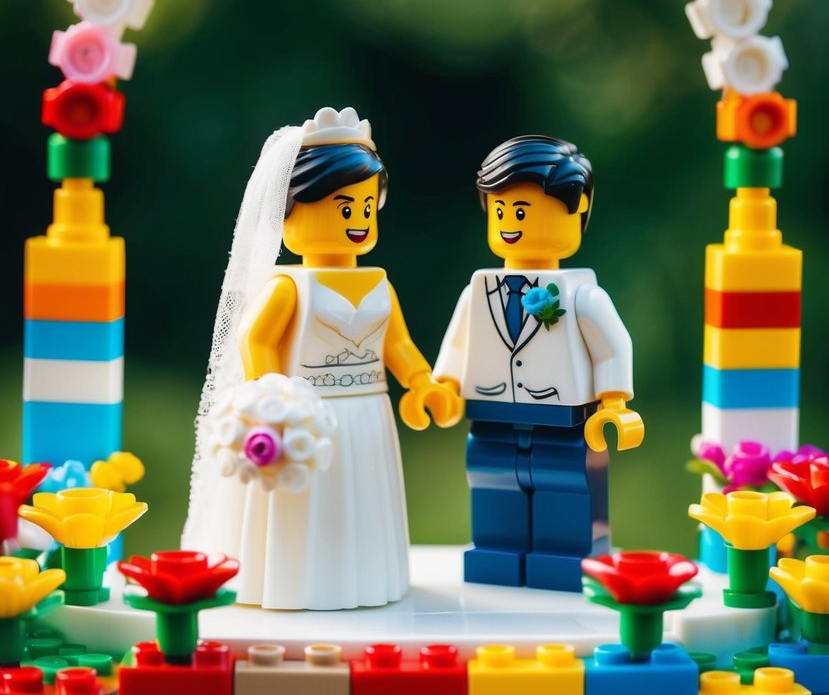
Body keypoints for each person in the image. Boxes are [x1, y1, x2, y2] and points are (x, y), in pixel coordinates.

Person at [183, 107, 461, 610]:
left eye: (365, 207)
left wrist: (422, 383)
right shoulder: (286, 286)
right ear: (287, 214)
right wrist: (275, 403)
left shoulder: (377, 282)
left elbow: (396, 344)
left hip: (368, 414)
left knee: (360, 501)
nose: (357, 221)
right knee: (304, 501)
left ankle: (367, 580)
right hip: (305, 414)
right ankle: (294, 585)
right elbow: (257, 342)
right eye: (341, 207)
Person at [435, 134, 645, 592]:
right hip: (491, 413)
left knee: (566, 484)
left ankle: (565, 556)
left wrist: (614, 402)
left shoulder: (581, 294)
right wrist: (443, 387)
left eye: (523, 211)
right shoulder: (478, 291)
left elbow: (613, 346)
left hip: (564, 419)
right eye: (501, 210)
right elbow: (456, 346)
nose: (510, 222)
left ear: (578, 208)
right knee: (492, 480)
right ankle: (497, 553)